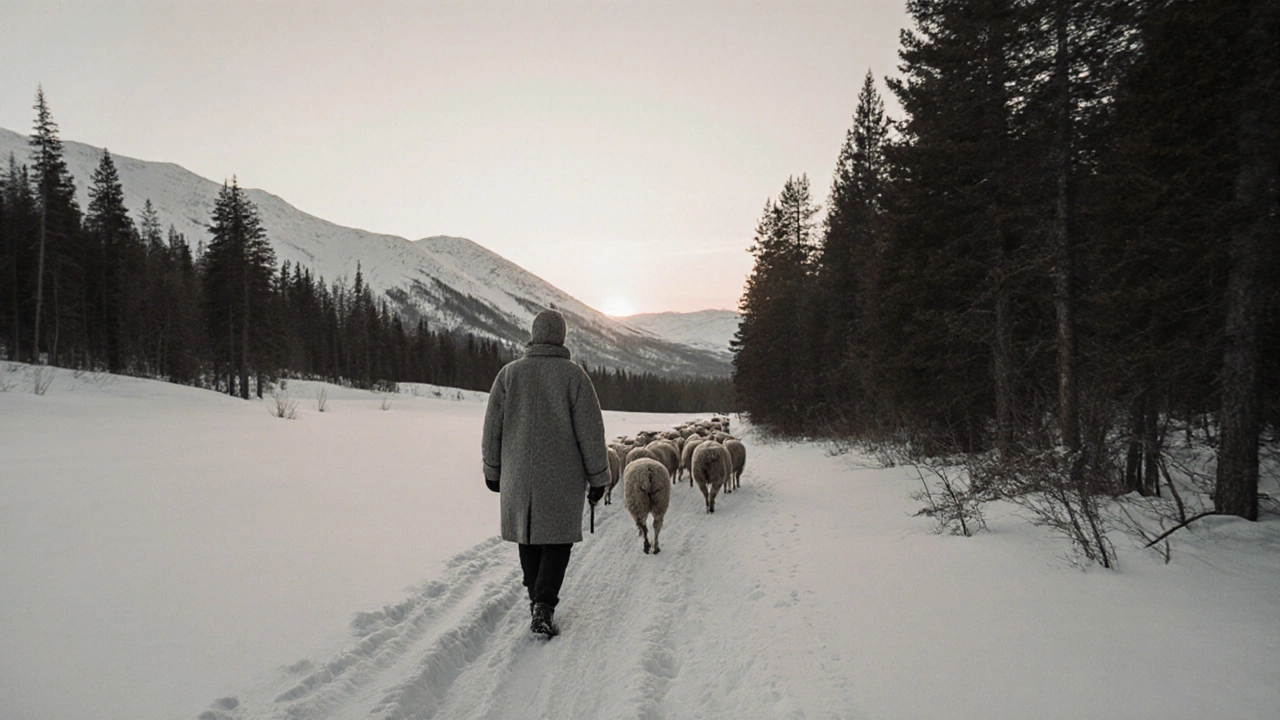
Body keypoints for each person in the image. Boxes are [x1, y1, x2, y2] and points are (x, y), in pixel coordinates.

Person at [481, 309, 611, 638]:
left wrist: (492, 469)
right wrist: (599, 477)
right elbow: (591, 432)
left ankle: (535, 598)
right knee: (557, 540)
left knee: (528, 534)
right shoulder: (575, 377)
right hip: (562, 476)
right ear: (562, 336)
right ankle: (544, 604)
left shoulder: (508, 375)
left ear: (534, 334)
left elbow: (492, 429)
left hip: (518, 474)